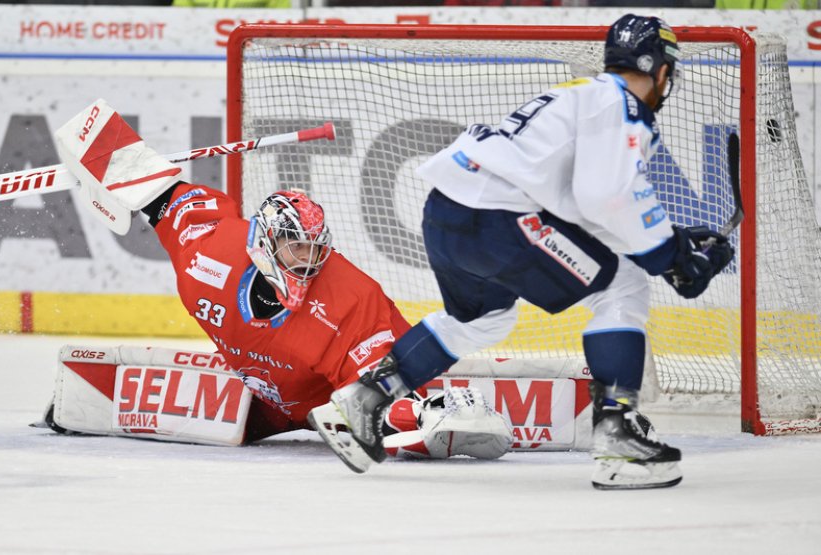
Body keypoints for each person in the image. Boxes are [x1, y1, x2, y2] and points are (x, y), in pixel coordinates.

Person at [308, 14, 735, 489]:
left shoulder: (580, 94)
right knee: (623, 284)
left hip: (447, 211)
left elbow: (582, 208)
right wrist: (669, 257)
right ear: (658, 69)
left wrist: (670, 245)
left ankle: (365, 398)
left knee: (484, 318)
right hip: (502, 219)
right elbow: (607, 197)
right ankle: (619, 440)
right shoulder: (622, 107)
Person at [44, 101, 512, 460]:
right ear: (264, 244)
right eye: (296, 247)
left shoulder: (349, 299)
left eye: (315, 248)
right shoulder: (210, 252)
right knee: (213, 423)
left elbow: (378, 382)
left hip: (323, 404)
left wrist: (410, 410)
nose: (308, 260)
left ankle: (439, 411)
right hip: (261, 399)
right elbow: (157, 194)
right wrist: (100, 145)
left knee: (376, 405)